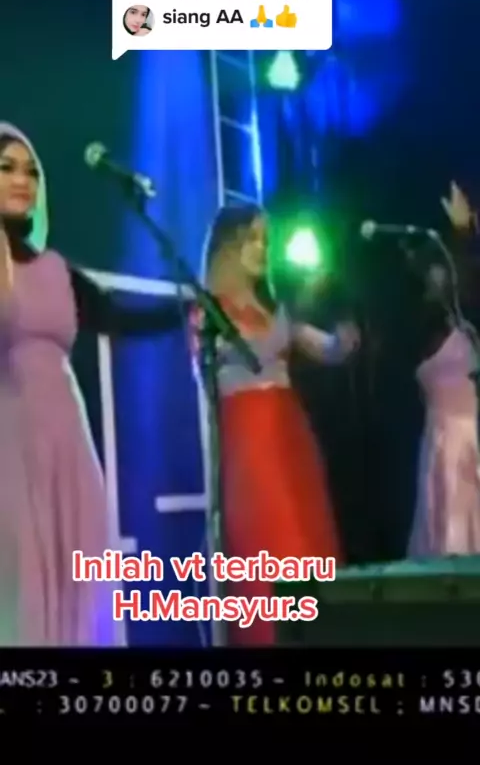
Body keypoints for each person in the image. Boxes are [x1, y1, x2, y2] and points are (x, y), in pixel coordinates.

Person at [0, 122, 182, 645]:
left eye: (31, 171)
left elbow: (117, 315)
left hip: (66, 441)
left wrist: (186, 309)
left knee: (78, 575)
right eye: (6, 168)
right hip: (11, 444)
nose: (22, 180)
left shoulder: (56, 267)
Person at [194, 205, 360, 646]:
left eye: (266, 240)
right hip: (250, 444)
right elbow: (205, 374)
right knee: (271, 546)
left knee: (307, 544)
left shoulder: (275, 309)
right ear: (228, 246)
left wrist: (341, 320)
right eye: (252, 239)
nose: (262, 249)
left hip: (291, 439)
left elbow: (330, 349)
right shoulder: (209, 312)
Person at [407, 182, 480, 557]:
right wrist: (462, 235)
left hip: (470, 435)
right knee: (452, 527)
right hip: (449, 442)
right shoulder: (425, 323)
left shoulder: (465, 314)